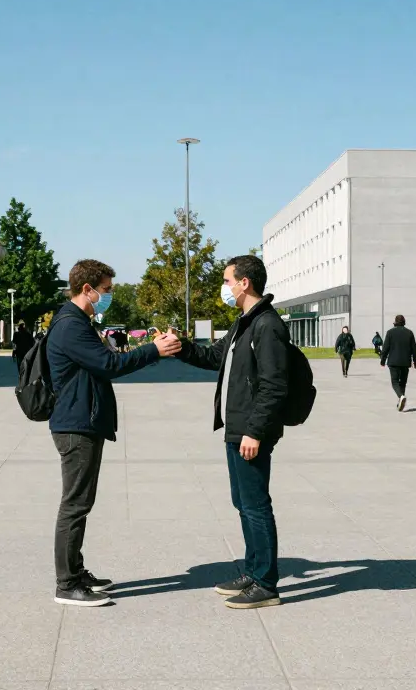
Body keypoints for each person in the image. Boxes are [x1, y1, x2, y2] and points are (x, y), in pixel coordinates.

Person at [47, 259, 181, 607]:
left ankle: (76, 572)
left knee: (81, 502)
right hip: (76, 425)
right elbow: (109, 365)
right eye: (105, 290)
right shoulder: (70, 325)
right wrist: (154, 350)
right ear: (87, 289)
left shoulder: (77, 321)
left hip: (82, 420)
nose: (108, 295)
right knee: (75, 504)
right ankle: (66, 584)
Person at [170, 254, 289, 610]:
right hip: (236, 428)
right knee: (243, 503)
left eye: (226, 281)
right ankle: (253, 571)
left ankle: (266, 583)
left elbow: (274, 385)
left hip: (251, 431)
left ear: (244, 283)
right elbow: (213, 357)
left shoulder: (267, 325)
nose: (224, 287)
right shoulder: (243, 323)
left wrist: (255, 431)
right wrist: (180, 346)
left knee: (256, 505)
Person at [380, 314, 416, 412]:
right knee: (403, 382)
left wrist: (383, 360)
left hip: (393, 361)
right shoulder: (409, 333)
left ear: (395, 322)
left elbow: (385, 348)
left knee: (395, 382)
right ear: (404, 322)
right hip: (405, 362)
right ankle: (401, 400)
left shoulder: (390, 332)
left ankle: (401, 396)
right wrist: (415, 361)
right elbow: (414, 348)